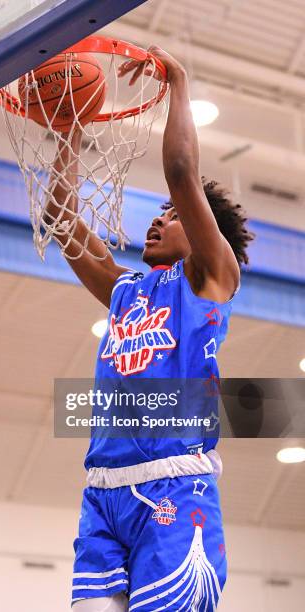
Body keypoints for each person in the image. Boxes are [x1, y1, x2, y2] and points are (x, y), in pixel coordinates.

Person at [45, 47, 254, 611]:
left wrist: (178, 80)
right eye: (160, 211)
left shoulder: (214, 277)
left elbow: (183, 172)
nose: (161, 217)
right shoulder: (126, 291)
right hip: (103, 498)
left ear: (209, 236)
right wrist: (67, 127)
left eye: (176, 214)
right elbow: (60, 217)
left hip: (174, 492)